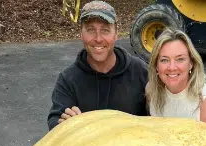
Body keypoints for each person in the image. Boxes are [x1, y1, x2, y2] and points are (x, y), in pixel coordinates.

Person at [46, 1, 149, 130]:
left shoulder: (141, 72)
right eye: (90, 30)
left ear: (116, 33)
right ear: (81, 33)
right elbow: (55, 121)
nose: (98, 38)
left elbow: (157, 117)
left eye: (105, 30)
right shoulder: (68, 79)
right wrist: (64, 124)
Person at [145, 29, 206, 131]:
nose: (172, 67)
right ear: (156, 65)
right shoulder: (151, 90)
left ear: (191, 63)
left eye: (180, 59)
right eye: (164, 60)